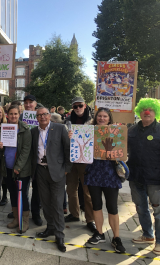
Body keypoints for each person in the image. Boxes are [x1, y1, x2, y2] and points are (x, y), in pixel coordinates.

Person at [71, 107, 125, 252]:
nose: (101, 118)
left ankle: (116, 237)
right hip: (94, 173)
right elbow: (78, 145)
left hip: (110, 175)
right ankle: (99, 233)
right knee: (96, 205)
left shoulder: (117, 131)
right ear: (96, 118)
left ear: (109, 118)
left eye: (105, 117)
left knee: (112, 207)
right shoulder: (89, 131)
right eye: (99, 116)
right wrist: (73, 137)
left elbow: (122, 152)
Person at [32, 107, 72, 252]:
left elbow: (68, 148)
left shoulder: (60, 128)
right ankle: (50, 228)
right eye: (39, 115)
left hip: (57, 172)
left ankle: (59, 235)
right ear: (36, 118)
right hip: (41, 171)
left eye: (45, 114)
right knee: (45, 202)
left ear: (49, 116)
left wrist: (67, 169)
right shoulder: (34, 131)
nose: (42, 117)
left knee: (56, 204)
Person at [128, 98, 160, 255]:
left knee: (158, 211)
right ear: (139, 112)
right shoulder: (131, 130)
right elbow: (119, 147)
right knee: (141, 207)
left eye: (150, 110)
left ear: (156, 112)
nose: (147, 112)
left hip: (155, 177)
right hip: (135, 176)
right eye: (144, 110)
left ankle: (159, 241)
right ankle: (148, 235)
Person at [64, 97, 96, 233]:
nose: (78, 108)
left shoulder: (93, 121)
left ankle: (90, 219)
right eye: (75, 106)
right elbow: (63, 139)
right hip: (72, 159)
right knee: (71, 189)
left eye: (80, 105)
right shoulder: (67, 121)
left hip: (86, 161)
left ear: (85, 106)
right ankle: (74, 214)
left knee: (87, 192)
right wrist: (67, 136)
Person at [0, 105, 32, 233]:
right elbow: (3, 148)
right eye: (11, 114)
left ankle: (25, 221)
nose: (13, 116)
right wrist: (0, 145)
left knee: (22, 195)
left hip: (21, 170)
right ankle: (16, 219)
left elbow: (25, 151)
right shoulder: (5, 128)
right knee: (12, 194)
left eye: (15, 114)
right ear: (7, 115)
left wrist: (18, 167)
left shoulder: (25, 129)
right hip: (7, 167)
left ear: (19, 114)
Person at [17, 94, 43, 226]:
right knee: (24, 186)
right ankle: (22, 210)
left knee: (37, 187)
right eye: (25, 103)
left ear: (35, 103)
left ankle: (36, 213)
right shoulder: (21, 117)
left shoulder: (41, 116)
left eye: (30, 102)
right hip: (25, 157)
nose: (28, 105)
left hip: (38, 156)